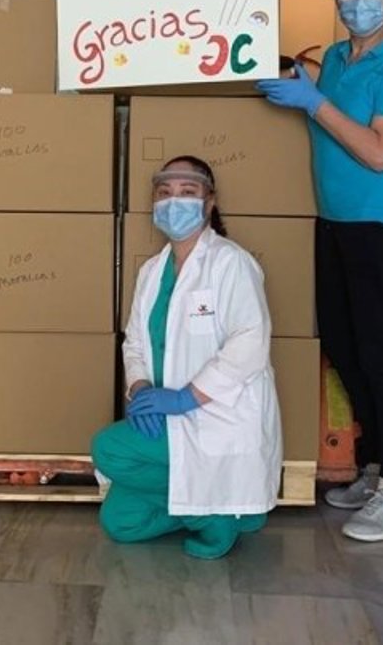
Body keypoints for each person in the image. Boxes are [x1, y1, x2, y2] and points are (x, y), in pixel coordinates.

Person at [257, 0, 383, 543]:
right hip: (332, 222)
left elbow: (381, 152)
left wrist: (315, 103)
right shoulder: (334, 58)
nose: (360, 0)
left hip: (381, 224)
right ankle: (376, 467)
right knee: (343, 346)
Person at [91, 156, 282, 559]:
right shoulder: (151, 271)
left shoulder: (231, 262)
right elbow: (134, 342)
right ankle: (221, 504)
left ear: (209, 203)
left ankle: (211, 515)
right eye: (165, 193)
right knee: (120, 523)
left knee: (108, 448)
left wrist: (184, 399)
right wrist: (141, 388)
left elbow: (250, 342)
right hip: (165, 413)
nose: (173, 202)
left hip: (214, 415)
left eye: (187, 192)